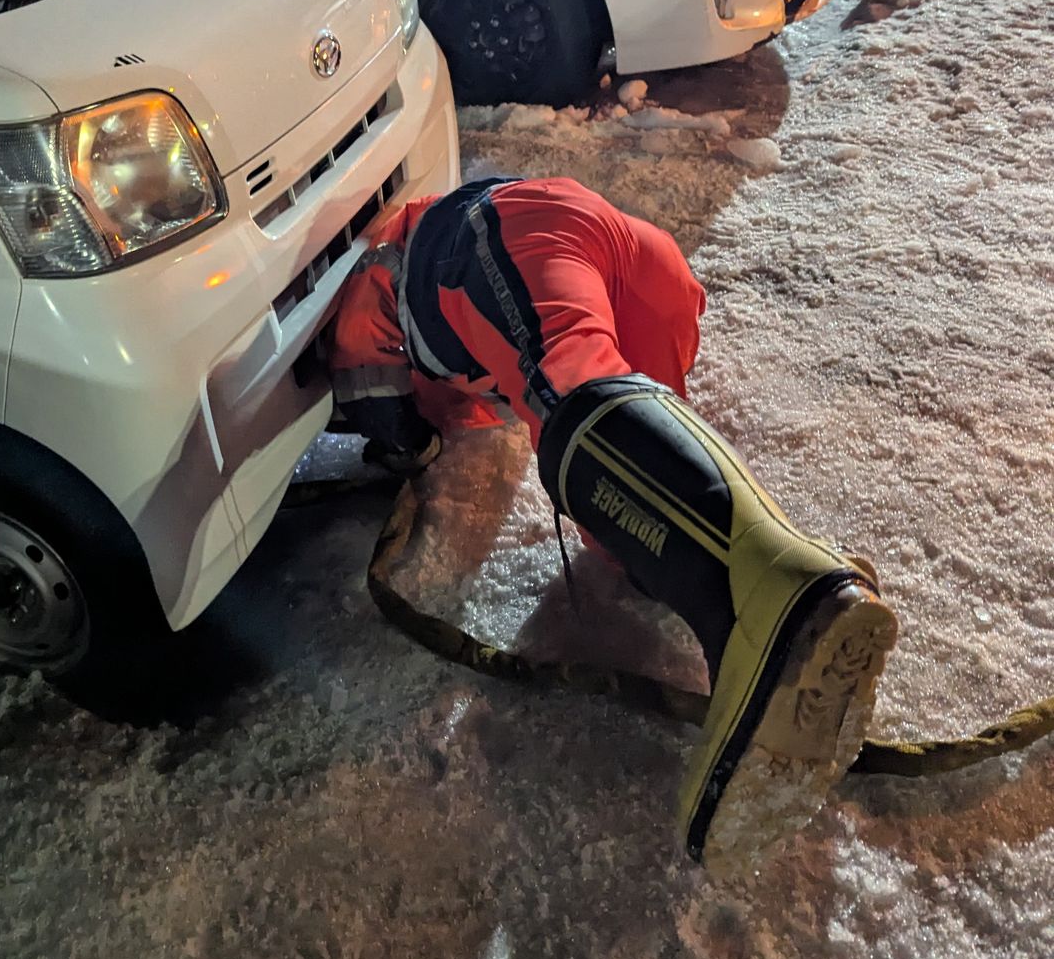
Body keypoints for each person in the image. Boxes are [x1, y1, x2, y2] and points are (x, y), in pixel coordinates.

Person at [326, 175, 897, 877]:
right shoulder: (425, 255)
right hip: (630, 254)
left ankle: (789, 592)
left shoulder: (366, 295)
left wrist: (401, 447)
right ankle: (779, 619)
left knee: (576, 412)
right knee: (633, 476)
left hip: (501, 242)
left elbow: (392, 415)